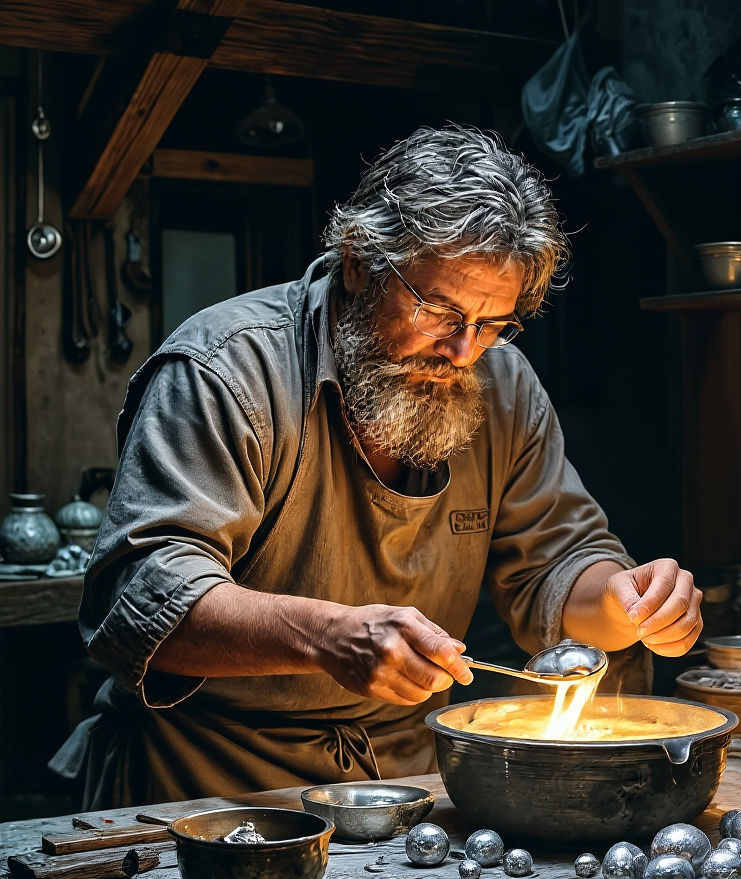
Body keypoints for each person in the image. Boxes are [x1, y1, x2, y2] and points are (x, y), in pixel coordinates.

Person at [51, 126, 703, 809]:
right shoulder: (228, 369)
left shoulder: (501, 384)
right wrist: (330, 636)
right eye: (439, 311)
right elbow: (144, 598)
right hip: (205, 792)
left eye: (492, 323)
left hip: (403, 791)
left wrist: (626, 602)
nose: (462, 351)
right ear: (360, 260)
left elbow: (557, 563)